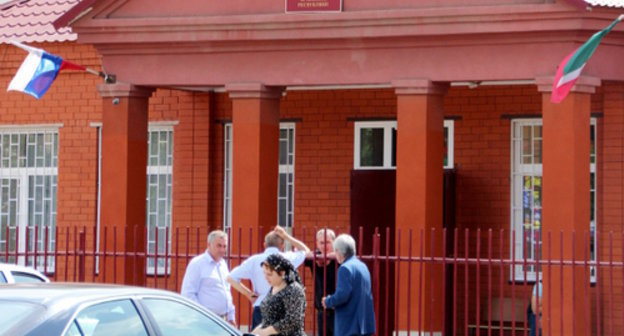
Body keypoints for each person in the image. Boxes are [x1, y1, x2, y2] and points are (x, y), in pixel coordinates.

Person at [227, 225, 310, 329]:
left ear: (264, 244)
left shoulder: (254, 260)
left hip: (261, 305)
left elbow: (230, 277)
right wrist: (286, 236)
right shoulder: (287, 257)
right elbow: (305, 250)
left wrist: (249, 294)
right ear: (282, 245)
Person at [322, 234, 375, 336]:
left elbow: (342, 295)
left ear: (338, 251)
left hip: (349, 326)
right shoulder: (363, 266)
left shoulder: (344, 268)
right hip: (364, 325)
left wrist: (328, 301)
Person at [180, 230, 235, 325]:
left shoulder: (223, 264)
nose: (222, 250)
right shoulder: (197, 264)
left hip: (222, 320)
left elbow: (226, 291)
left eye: (224, 246)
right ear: (209, 245)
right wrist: (203, 316)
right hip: (205, 320)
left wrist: (231, 316)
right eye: (219, 246)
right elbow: (188, 294)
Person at [251, 253, 307, 336]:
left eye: (269, 274)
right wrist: (257, 330)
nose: (265, 277)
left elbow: (293, 320)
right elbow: (269, 318)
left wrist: (266, 331)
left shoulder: (294, 289)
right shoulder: (273, 288)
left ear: (282, 273)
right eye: (264, 273)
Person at [305, 228, 337, 336]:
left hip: (338, 311)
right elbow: (302, 255)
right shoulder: (314, 257)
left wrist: (332, 256)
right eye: (322, 243)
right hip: (321, 312)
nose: (325, 245)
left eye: (328, 242)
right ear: (317, 244)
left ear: (334, 242)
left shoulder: (340, 259)